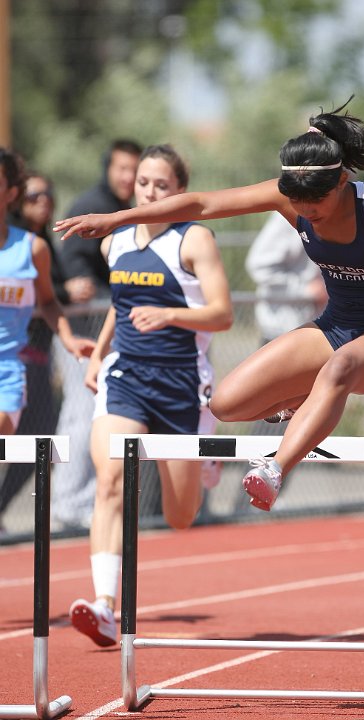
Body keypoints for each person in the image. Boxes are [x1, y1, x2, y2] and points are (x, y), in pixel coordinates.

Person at [55, 99, 364, 517]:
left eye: (316, 206)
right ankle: (308, 402)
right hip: (336, 327)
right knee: (226, 404)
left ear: (342, 182)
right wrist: (118, 219)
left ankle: (274, 469)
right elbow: (202, 204)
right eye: (298, 207)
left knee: (340, 368)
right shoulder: (288, 196)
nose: (307, 215)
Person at [67, 144, 233, 646]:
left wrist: (171, 315)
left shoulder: (194, 239)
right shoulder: (115, 240)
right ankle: (104, 606)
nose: (149, 192)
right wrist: (99, 354)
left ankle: (204, 461)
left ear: (179, 190)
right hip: (127, 379)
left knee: (180, 517)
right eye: (143, 183)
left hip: (182, 381)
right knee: (110, 481)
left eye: (161, 185)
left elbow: (223, 314)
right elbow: (122, 304)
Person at [0, 149, 95, 531]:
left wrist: (69, 339)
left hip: (9, 370)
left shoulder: (32, 249)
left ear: (10, 194)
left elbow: (50, 303)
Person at [51, 139, 143, 528]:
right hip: (81, 328)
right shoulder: (90, 204)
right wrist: (75, 282)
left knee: (105, 412)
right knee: (80, 410)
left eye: (134, 170)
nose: (128, 177)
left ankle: (92, 502)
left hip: (114, 329)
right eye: (122, 168)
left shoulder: (137, 211)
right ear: (108, 168)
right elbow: (69, 258)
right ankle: (67, 505)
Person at [245, 211, 327, 346]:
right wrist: (306, 289)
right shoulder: (291, 216)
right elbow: (259, 265)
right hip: (283, 329)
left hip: (317, 330)